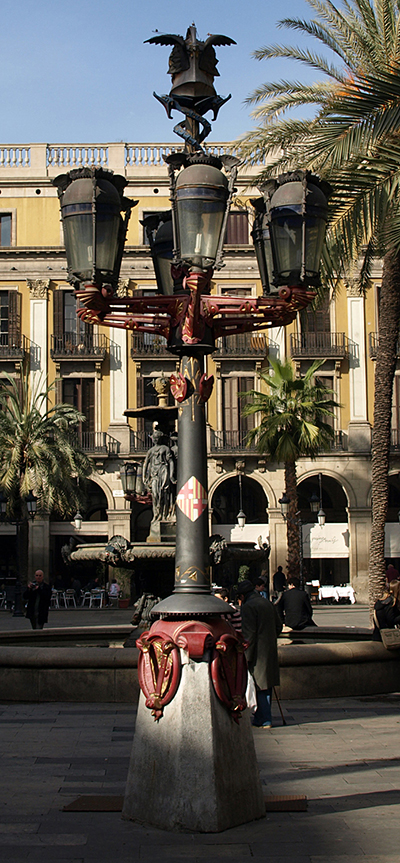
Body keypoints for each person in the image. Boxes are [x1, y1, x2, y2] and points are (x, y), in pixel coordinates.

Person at [237, 579, 282, 729]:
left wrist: (245, 656)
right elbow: (279, 626)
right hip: (269, 649)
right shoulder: (267, 603)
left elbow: (249, 633)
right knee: (266, 684)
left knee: (259, 684)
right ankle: (264, 717)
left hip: (257, 652)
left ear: (243, 596)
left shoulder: (248, 606)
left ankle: (264, 718)